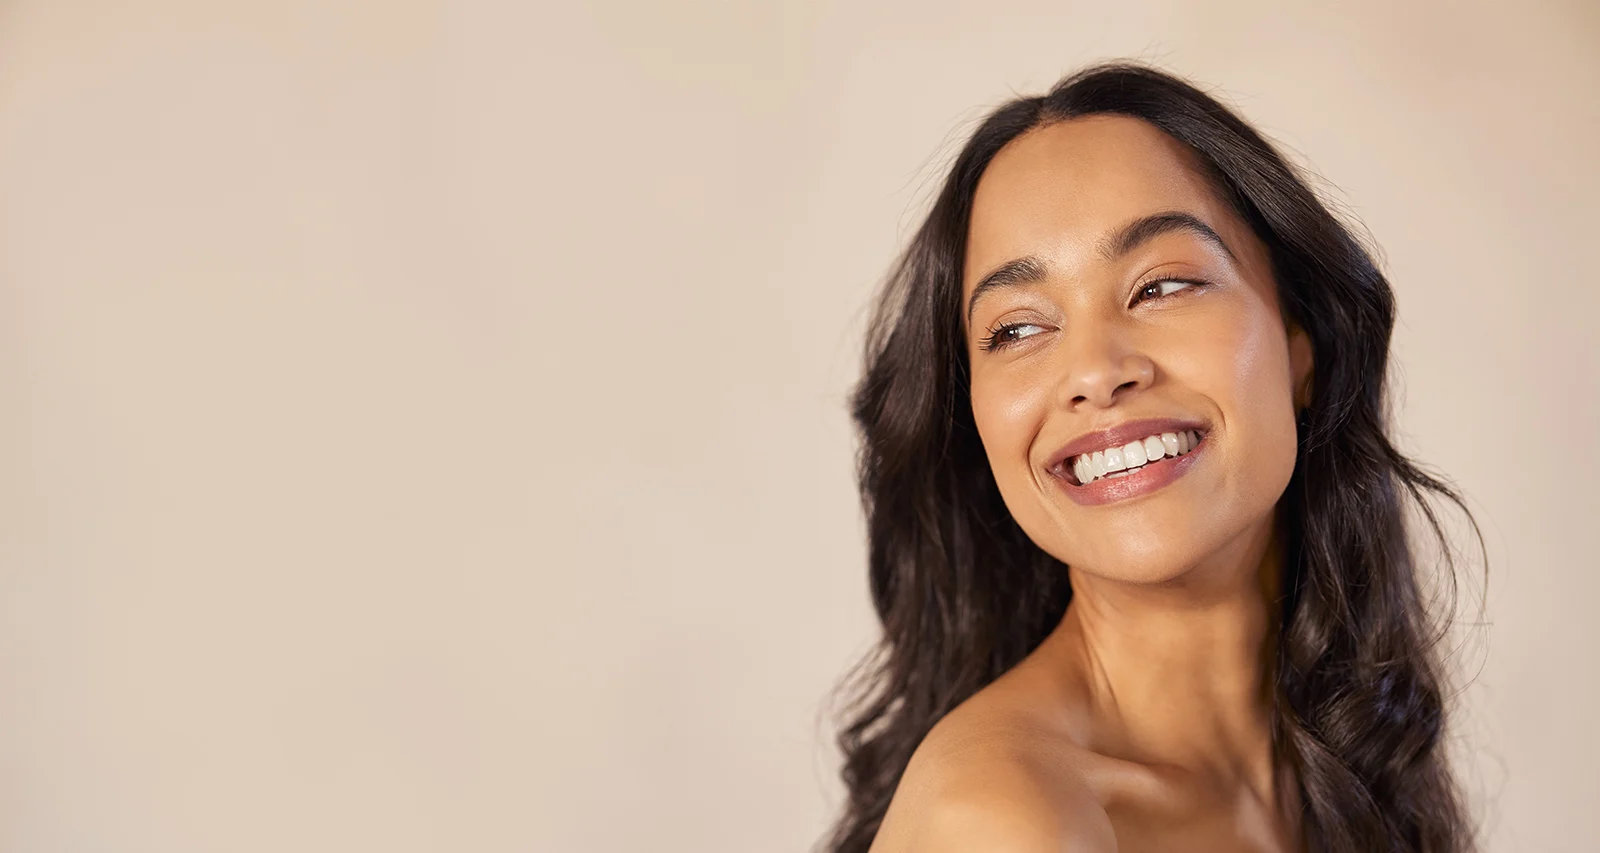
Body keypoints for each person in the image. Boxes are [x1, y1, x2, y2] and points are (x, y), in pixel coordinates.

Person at [823, 63, 1482, 853]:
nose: (1097, 371)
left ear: (1301, 344)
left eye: (1162, 285)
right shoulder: (1002, 821)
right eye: (1018, 329)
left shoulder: (1343, 756)